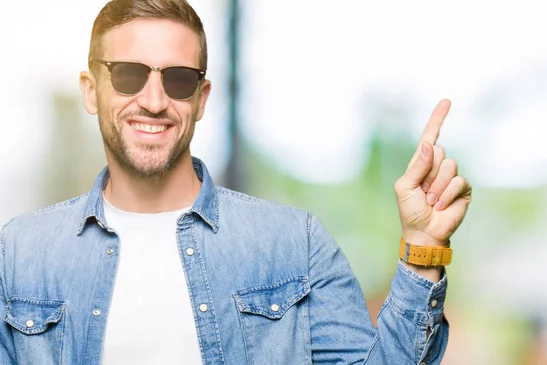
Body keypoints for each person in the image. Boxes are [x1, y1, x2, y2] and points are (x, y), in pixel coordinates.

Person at [0, 0, 472, 364]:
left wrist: (423, 247)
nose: (154, 99)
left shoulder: (294, 244)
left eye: (179, 80)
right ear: (90, 90)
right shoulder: (20, 253)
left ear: (202, 99)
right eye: (128, 75)